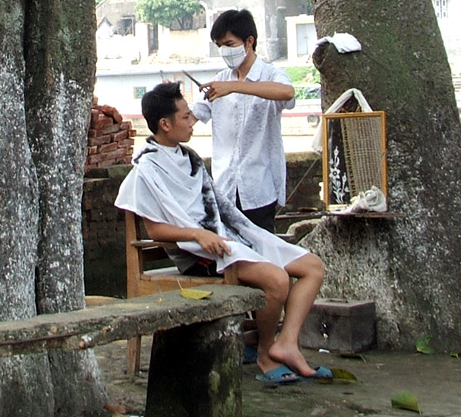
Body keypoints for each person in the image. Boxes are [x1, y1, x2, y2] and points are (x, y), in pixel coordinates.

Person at [115, 82, 329, 384]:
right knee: (277, 279)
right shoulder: (146, 169)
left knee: (312, 268)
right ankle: (267, 353)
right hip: (199, 254)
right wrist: (198, 235)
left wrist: (231, 231)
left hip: (226, 237)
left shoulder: (188, 157)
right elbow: (156, 230)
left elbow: (216, 208)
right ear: (165, 124)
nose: (193, 121)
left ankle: (287, 343)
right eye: (187, 116)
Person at [190, 9, 295, 233]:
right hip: (224, 187)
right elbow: (192, 115)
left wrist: (236, 86)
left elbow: (287, 93)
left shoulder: (270, 74)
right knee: (229, 257)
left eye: (229, 44)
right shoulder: (220, 80)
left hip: (259, 188)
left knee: (262, 256)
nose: (224, 51)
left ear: (249, 42)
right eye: (220, 46)